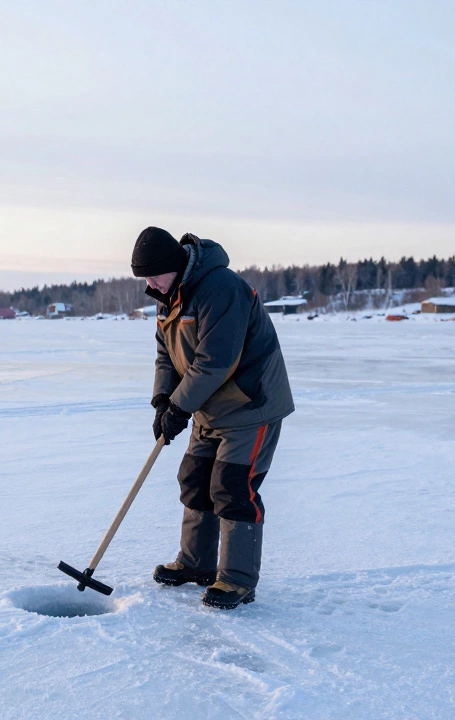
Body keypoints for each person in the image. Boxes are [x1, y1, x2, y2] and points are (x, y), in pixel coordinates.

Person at [131, 227, 295, 609]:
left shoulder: (220, 288)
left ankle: (236, 581)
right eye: (145, 279)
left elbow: (215, 361)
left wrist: (179, 408)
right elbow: (165, 356)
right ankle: (196, 565)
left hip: (251, 405)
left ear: (174, 265)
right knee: (195, 479)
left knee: (232, 487)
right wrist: (162, 401)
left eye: (154, 275)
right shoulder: (168, 296)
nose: (150, 285)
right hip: (208, 406)